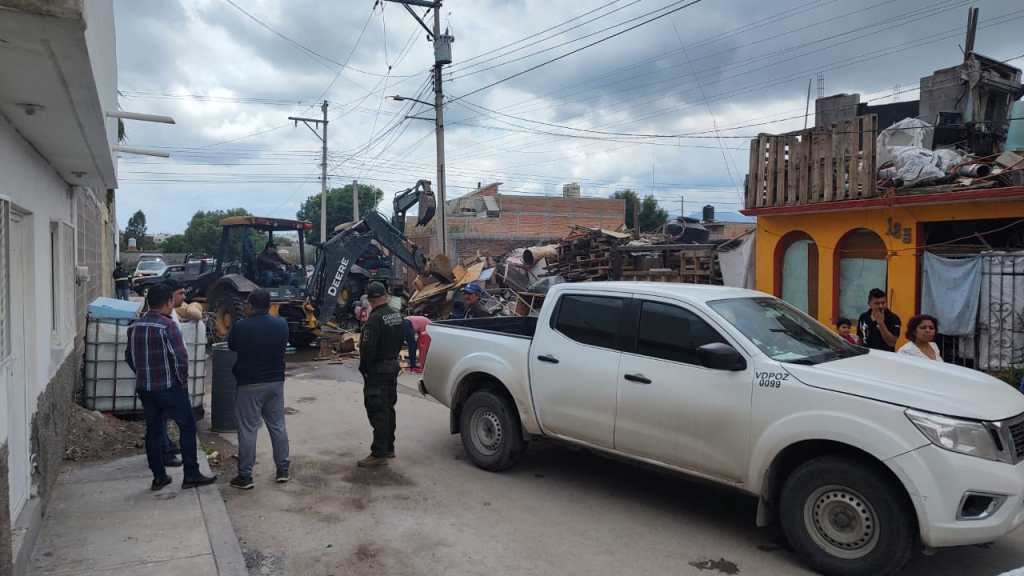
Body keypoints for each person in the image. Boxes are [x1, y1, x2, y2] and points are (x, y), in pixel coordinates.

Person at [125, 283, 216, 491]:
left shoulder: (134, 326)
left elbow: (129, 357)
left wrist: (143, 374)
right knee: (187, 426)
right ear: (168, 302)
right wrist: (181, 381)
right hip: (169, 387)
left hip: (145, 389)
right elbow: (180, 357)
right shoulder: (168, 325)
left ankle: (159, 477)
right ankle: (191, 474)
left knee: (154, 431)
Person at [228, 288, 291, 489]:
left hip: (249, 384)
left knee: (248, 430)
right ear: (269, 305)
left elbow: (232, 346)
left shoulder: (241, 326)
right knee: (278, 425)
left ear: (250, 305)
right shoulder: (281, 324)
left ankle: (245, 476)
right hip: (275, 382)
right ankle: (283, 470)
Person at [357, 282, 405, 468]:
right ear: (385, 295)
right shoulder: (396, 314)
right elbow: (401, 339)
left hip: (378, 370)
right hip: (392, 365)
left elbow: (367, 349)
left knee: (377, 411)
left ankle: (379, 453)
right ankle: (389, 447)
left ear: (369, 300)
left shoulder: (375, 319)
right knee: (389, 408)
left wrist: (365, 369)